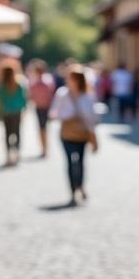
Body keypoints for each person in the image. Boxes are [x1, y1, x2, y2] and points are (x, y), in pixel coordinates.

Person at [52, 66, 99, 205]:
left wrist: (92, 134)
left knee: (80, 161)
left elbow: (93, 117)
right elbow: (54, 112)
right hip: (67, 133)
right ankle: (73, 190)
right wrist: (69, 116)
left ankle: (81, 186)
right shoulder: (62, 94)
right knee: (71, 162)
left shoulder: (88, 95)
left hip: (82, 134)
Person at [0, 64, 28, 166]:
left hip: (6, 112)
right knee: (17, 132)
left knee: (7, 133)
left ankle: (9, 155)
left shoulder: (1, 85)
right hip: (16, 111)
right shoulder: (18, 84)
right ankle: (17, 152)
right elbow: (23, 98)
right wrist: (24, 109)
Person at [27, 59, 57, 158]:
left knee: (43, 128)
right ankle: (44, 148)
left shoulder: (45, 80)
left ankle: (45, 148)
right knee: (42, 128)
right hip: (40, 107)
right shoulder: (37, 81)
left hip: (45, 107)